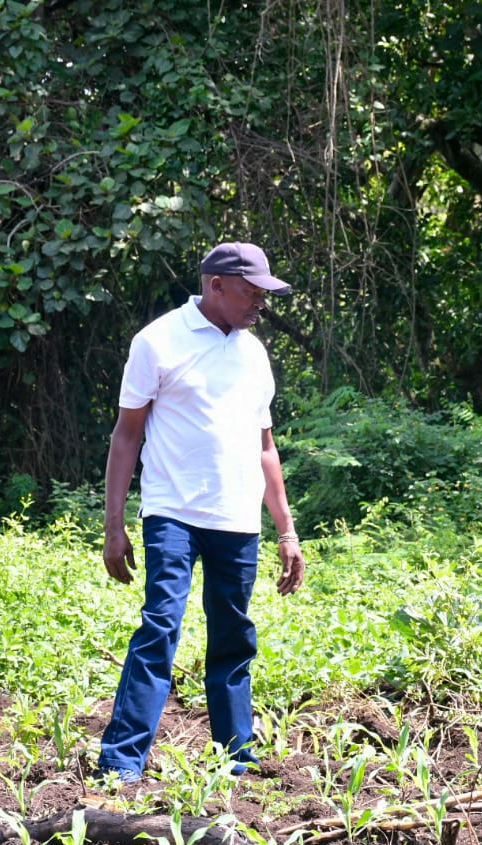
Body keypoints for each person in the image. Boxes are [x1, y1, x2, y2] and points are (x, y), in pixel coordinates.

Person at [97, 241, 306, 783]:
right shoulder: (158, 341)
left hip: (237, 520)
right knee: (161, 626)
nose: (261, 301)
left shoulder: (253, 353)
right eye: (252, 291)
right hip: (172, 512)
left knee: (234, 635)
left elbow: (266, 446)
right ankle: (122, 762)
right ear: (216, 284)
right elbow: (127, 434)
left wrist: (286, 531)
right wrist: (114, 525)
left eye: (264, 292)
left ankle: (235, 759)